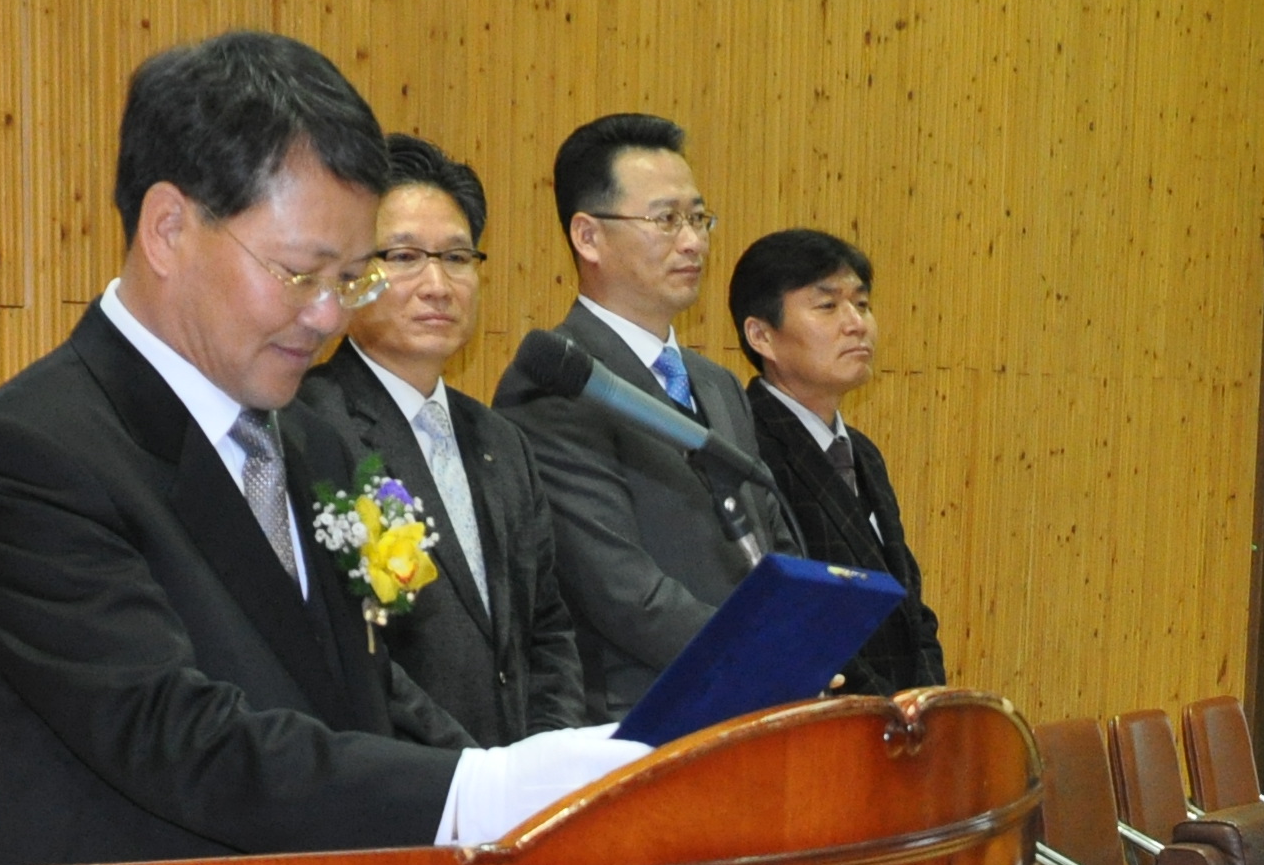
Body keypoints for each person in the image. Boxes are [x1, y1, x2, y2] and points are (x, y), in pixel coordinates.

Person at [0, 35, 630, 865]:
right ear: (169, 228)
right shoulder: (28, 456)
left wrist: (545, 783)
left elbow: (360, 693)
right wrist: (471, 793)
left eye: (349, 278)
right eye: (302, 273)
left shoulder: (311, 436)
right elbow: (177, 736)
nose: (328, 315)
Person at [288, 134, 589, 745]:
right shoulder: (308, 426)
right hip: (405, 776)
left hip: (519, 783)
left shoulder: (503, 441)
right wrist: (469, 770)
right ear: (351, 273)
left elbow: (547, 630)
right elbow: (346, 649)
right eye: (404, 256)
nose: (437, 284)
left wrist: (543, 756)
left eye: (456, 257)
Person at [492, 114, 792, 716]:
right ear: (588, 237)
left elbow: (771, 537)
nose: (693, 242)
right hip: (639, 718)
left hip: (750, 708)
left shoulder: (719, 384)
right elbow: (620, 591)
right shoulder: (558, 383)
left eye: (698, 218)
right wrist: (762, 658)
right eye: (666, 220)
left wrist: (801, 636)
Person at [729, 228, 947, 694]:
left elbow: (910, 610)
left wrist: (926, 702)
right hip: (824, 714)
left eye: (862, 304)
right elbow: (792, 615)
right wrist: (887, 709)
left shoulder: (863, 452)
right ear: (761, 335)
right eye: (827, 306)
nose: (856, 324)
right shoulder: (745, 447)